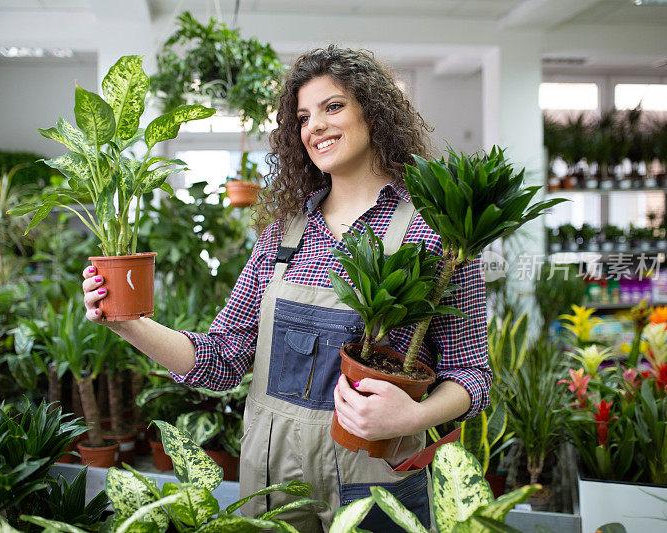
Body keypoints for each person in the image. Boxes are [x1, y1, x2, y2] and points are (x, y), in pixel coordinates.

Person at [82, 45, 491, 532]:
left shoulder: (434, 232)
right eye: (302, 116)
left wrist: (409, 417)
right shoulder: (284, 236)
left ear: (375, 113)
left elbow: (473, 374)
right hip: (273, 474)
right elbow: (222, 358)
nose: (314, 125)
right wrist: (129, 323)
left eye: (333, 106)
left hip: (375, 467)